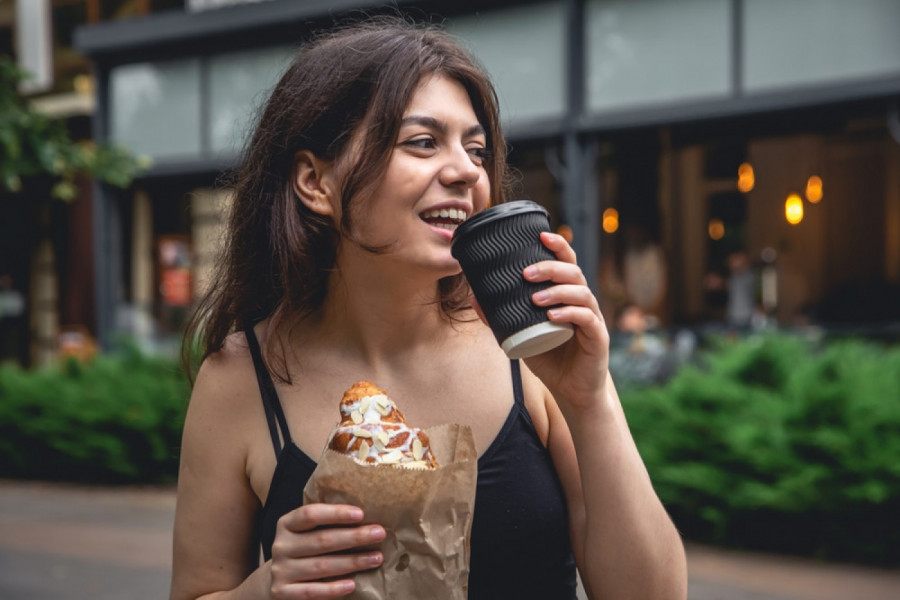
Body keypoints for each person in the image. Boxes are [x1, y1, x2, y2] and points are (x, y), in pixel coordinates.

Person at [170, 17, 686, 600]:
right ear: (314, 181)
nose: (467, 170)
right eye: (422, 142)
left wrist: (591, 400)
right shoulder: (240, 379)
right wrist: (263, 590)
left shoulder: (531, 350)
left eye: (476, 149)